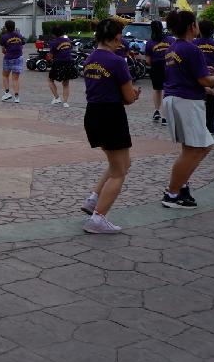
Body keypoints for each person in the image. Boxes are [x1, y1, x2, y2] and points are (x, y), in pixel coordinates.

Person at [79, 19, 141, 234]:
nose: (120, 43)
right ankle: (98, 218)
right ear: (115, 38)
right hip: (111, 115)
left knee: (121, 163)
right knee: (119, 171)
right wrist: (134, 95)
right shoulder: (117, 61)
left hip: (93, 114)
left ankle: (94, 199)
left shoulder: (89, 59)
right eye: (119, 38)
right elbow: (128, 97)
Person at [160, 9, 214, 209]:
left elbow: (184, 78)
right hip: (186, 102)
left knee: (193, 147)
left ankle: (182, 186)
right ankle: (172, 193)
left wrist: (207, 89)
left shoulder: (172, 48)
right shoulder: (192, 49)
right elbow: (204, 78)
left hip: (175, 98)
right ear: (191, 26)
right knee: (198, 148)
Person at [193, 19, 214, 134]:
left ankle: (198, 126)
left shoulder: (194, 44)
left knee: (196, 102)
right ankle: (209, 128)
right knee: (210, 104)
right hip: (212, 76)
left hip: (197, 76)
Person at [147, 20, 175, 124]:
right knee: (167, 90)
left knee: (156, 89)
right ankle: (165, 115)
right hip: (169, 66)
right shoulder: (171, 40)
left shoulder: (150, 43)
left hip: (156, 67)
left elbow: (148, 60)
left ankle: (157, 111)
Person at [47, 24, 76, 107]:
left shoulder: (54, 43)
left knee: (50, 80)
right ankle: (65, 102)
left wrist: (49, 58)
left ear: (53, 34)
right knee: (66, 83)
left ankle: (57, 98)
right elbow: (70, 49)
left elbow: (51, 55)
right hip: (69, 62)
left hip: (58, 62)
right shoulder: (68, 40)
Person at [0, 20, 25, 102]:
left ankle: (7, 93)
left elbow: (3, 50)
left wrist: (6, 52)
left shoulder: (4, 37)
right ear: (14, 26)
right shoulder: (19, 35)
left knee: (5, 75)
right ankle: (17, 97)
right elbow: (22, 46)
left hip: (8, 58)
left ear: (6, 27)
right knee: (15, 79)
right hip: (18, 58)